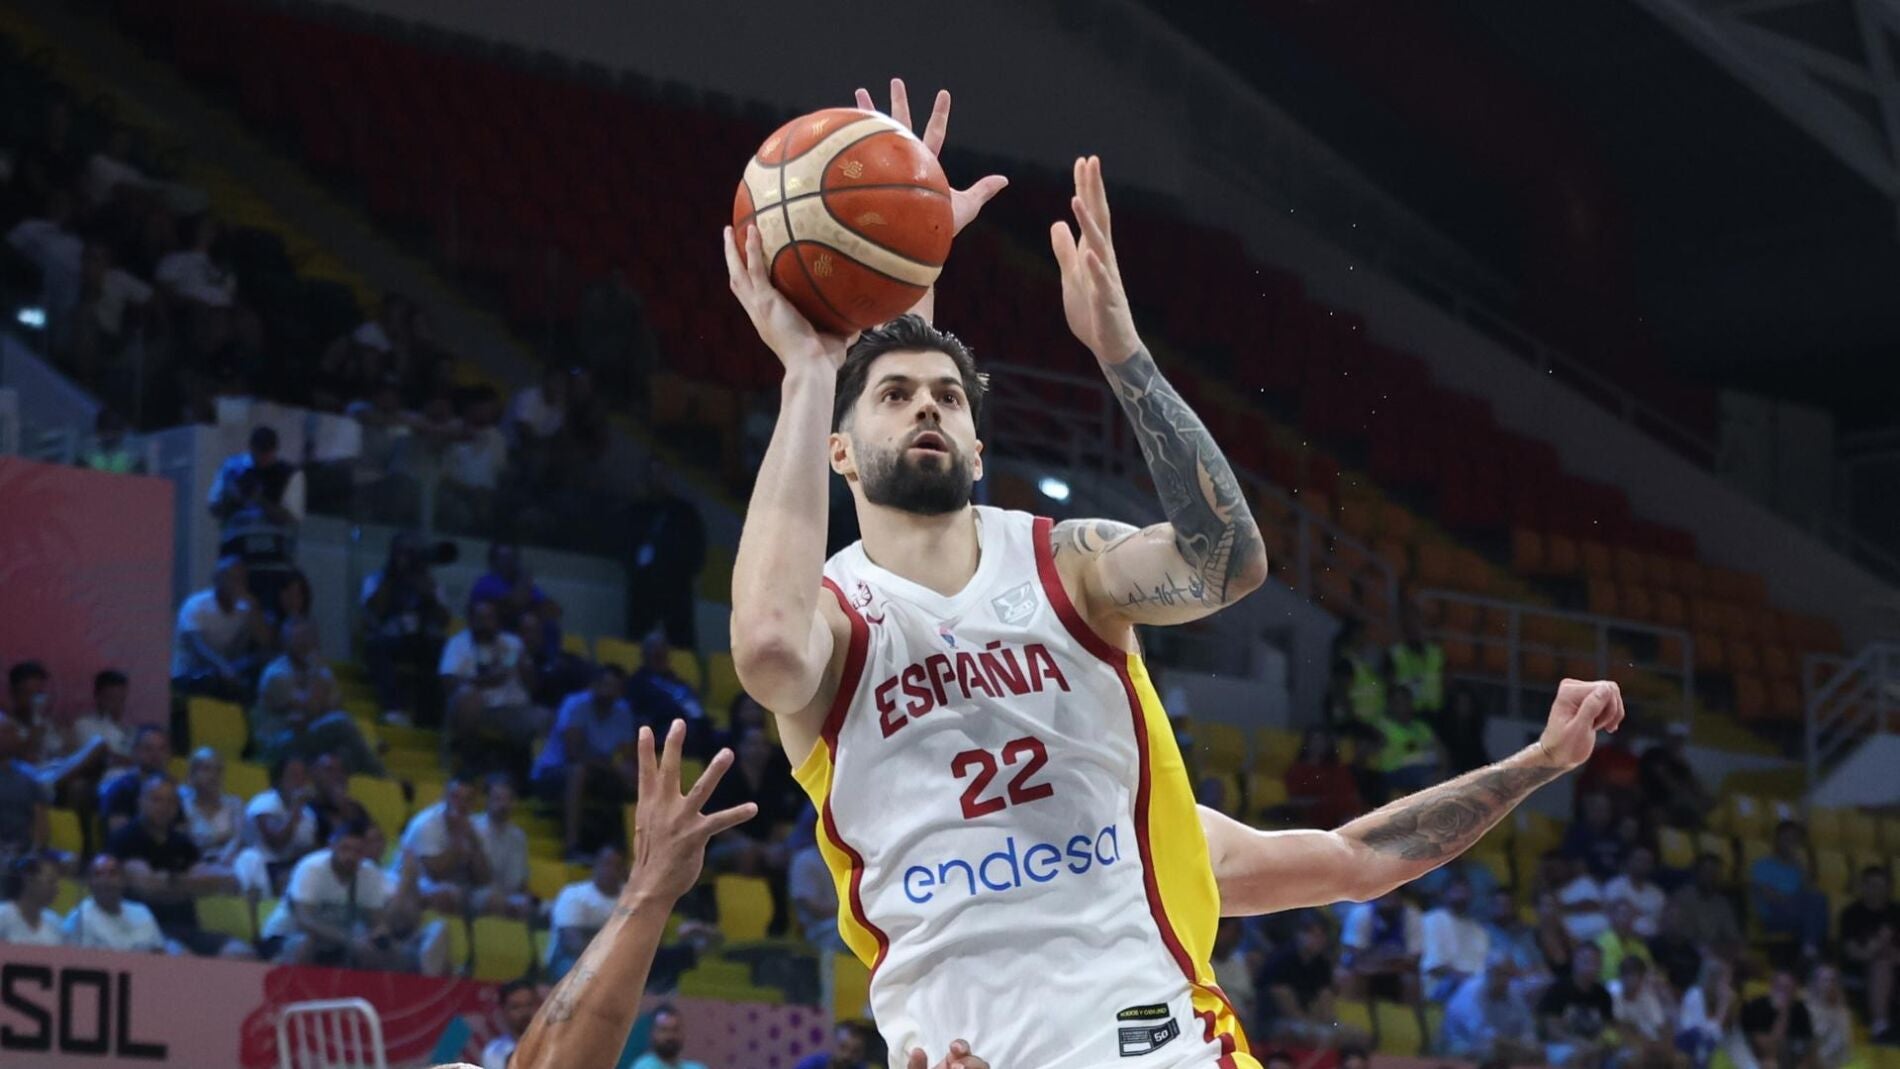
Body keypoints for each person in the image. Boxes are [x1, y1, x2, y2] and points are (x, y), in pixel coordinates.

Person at [725, 81, 1624, 1069]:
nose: (927, 407)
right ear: (839, 453)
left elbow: (1231, 573)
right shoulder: (835, 623)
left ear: (981, 447)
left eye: (948, 396)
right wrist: (813, 370)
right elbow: (767, 649)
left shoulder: (1070, 579)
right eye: (895, 396)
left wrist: (1121, 350)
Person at [106, 775, 246, 956]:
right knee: (181, 956)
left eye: (171, 802)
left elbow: (228, 878)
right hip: (143, 930)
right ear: (141, 802)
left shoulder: (183, 843)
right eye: (156, 799)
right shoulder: (125, 839)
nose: (164, 807)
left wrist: (170, 883)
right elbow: (149, 887)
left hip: (187, 927)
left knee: (241, 953)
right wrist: (192, 885)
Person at [262, 819, 412, 970]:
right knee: (308, 942)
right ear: (332, 846)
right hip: (286, 936)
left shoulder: (369, 874)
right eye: (345, 848)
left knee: (390, 952)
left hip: (337, 942)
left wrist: (380, 935)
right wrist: (350, 940)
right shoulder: (312, 868)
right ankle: (291, 983)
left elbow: (376, 920)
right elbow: (305, 920)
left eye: (357, 851)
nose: (350, 856)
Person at [531, 665, 637, 856]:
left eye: (614, 687)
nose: (607, 691)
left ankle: (627, 849)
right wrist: (614, 768)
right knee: (578, 771)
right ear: (594, 685)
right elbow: (574, 754)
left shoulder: (623, 713)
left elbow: (628, 756)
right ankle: (572, 847)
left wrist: (629, 772)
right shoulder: (575, 704)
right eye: (604, 685)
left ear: (620, 692)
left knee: (637, 777)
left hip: (598, 773)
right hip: (553, 772)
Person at [254, 621, 383, 774]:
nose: (304, 644)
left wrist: (320, 702)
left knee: (346, 753)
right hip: (276, 745)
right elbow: (312, 710)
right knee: (340, 723)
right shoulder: (276, 675)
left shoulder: (321, 671)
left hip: (308, 741)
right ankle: (385, 779)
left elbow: (336, 705)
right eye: (297, 639)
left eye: (307, 638)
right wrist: (315, 675)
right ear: (285, 643)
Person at [208, 426, 305, 613]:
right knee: (234, 614)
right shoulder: (231, 468)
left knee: (269, 614)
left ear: (275, 450)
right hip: (236, 564)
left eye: (267, 453)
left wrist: (258, 498)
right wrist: (233, 496)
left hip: (274, 565)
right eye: (259, 452)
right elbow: (214, 507)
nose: (262, 458)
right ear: (251, 448)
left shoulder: (289, 473)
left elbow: (291, 517)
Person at [439, 597, 541, 772]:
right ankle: (468, 762)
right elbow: (448, 681)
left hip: (510, 708)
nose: (485, 624)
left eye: (490, 618)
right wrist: (484, 682)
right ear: (471, 621)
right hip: (476, 708)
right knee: (467, 696)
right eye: (480, 619)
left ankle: (533, 775)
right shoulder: (458, 643)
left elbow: (516, 674)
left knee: (548, 718)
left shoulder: (512, 644)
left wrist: (526, 668)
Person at [361, 532, 451, 724]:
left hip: (422, 640)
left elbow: (444, 621)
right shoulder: (376, 580)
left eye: (412, 553)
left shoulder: (429, 583)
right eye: (404, 552)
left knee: (441, 650)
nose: (409, 558)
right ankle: (394, 707)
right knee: (375, 646)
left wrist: (429, 594)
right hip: (390, 638)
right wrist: (393, 576)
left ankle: (431, 718)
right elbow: (374, 613)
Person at [625, 459, 707, 651]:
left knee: (681, 650)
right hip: (643, 593)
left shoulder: (685, 514)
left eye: (662, 473)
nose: (657, 479)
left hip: (677, 594)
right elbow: (626, 547)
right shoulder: (637, 512)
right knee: (640, 647)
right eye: (652, 474)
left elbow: (697, 552)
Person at [172, 556, 272, 699]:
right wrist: (225, 668)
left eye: (241, 579)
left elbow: (264, 641)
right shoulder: (197, 605)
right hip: (189, 676)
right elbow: (198, 647)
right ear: (218, 580)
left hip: (222, 675)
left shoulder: (244, 608)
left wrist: (254, 608)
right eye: (232, 578)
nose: (237, 584)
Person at [399, 776, 497, 914]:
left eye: (467, 799)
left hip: (459, 887)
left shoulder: (476, 826)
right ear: (445, 797)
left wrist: (474, 843)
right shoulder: (426, 824)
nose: (461, 804)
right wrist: (457, 840)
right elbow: (435, 874)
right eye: (456, 797)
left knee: (493, 899)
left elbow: (484, 879)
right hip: (415, 883)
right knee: (446, 895)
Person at [1260, 914, 1349, 1044]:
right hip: (1275, 1020)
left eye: (1322, 935)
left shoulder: (1321, 963)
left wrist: (1330, 1023)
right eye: (1314, 935)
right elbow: (1283, 998)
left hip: (1310, 1020)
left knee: (1351, 1036)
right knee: (1318, 1036)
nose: (1319, 940)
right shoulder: (1282, 959)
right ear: (1300, 935)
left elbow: (1325, 997)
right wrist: (1310, 1025)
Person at [242, 755, 322, 893]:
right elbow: (277, 844)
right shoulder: (264, 803)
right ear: (279, 780)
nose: (300, 781)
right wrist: (296, 809)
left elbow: (309, 847)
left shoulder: (309, 813)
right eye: (294, 775)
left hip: (292, 866)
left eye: (303, 776)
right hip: (262, 867)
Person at [1838, 864, 1900, 1040]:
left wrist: (1892, 954)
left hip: (1895, 964)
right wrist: (1878, 944)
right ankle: (1880, 1026)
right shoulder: (1850, 914)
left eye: (1882, 886)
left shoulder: (1897, 912)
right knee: (1881, 964)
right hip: (1860, 969)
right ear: (1863, 887)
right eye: (1872, 885)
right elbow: (1853, 953)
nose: (1877, 890)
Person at [546, 845, 626, 981]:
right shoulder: (573, 894)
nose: (611, 870)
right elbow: (572, 943)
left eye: (617, 866)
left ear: (624, 870)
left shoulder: (632, 898)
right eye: (607, 864)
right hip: (571, 958)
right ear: (596, 866)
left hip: (618, 959)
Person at [1749, 821, 1829, 954]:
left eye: (1794, 840)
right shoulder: (1762, 865)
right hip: (1772, 917)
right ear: (1777, 840)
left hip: (1797, 914)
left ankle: (1809, 951)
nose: (1790, 844)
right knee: (1814, 907)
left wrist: (1799, 866)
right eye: (1786, 839)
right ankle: (1812, 952)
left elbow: (1811, 891)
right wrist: (1796, 900)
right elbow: (1771, 897)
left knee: (1818, 902)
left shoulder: (1797, 868)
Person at [62, 852, 168, 953]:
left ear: (123, 880)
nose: (106, 880)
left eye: (112, 873)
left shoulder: (142, 912)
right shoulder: (79, 918)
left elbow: (159, 953)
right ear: (89, 882)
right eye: (98, 874)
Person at [1439, 963, 1541, 1063]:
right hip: (1459, 1043)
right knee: (1491, 1053)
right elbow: (1482, 1035)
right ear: (1489, 974)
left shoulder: (1512, 992)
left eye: (1507, 975)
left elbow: (1527, 1027)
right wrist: (1518, 1047)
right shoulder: (1472, 992)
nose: (1504, 980)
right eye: (1499, 974)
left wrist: (1529, 1045)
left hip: (1504, 1046)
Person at [1537, 942, 1615, 1068]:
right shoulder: (1558, 990)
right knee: (1583, 1055)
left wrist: (1603, 1043)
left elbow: (1606, 1028)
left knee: (1626, 1056)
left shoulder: (1603, 994)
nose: (1590, 966)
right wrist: (1579, 1043)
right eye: (1586, 961)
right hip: (1560, 1044)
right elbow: (1552, 1031)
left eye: (1595, 962)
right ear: (1575, 961)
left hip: (1593, 1044)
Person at [1340, 891, 1424, 1004]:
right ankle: (1354, 1011)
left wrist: (1388, 966)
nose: (1389, 899)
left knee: (1411, 979)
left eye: (1394, 894)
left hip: (1397, 970)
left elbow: (1415, 957)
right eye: (1386, 895)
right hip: (1365, 968)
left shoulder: (1412, 914)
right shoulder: (1361, 912)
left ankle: (1408, 1014)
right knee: (1346, 975)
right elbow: (1355, 954)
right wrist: (1378, 965)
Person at [471, 775, 534, 920]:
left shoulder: (519, 836)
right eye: (498, 799)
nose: (503, 805)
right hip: (477, 892)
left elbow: (522, 881)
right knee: (493, 899)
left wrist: (529, 898)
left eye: (508, 800)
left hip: (510, 895)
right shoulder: (473, 827)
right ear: (487, 800)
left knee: (542, 907)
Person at [1422, 875, 1490, 1003]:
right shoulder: (1431, 920)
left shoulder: (1479, 930)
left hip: (1475, 986)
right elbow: (1434, 966)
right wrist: (1469, 982)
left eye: (1465, 891)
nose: (1461, 896)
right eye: (1456, 891)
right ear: (1444, 894)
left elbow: (1482, 968)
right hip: (1440, 985)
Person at [1282, 727, 1364, 829]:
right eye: (1314, 740)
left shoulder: (1337, 768)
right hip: (1313, 811)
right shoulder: (1297, 769)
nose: (1318, 744)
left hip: (1340, 810)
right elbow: (1294, 800)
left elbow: (1350, 793)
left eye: (1322, 740)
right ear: (1307, 743)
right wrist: (1321, 800)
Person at [1369, 687, 1444, 796]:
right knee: (1427, 778)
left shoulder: (1421, 727)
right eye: (1398, 702)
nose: (1403, 705)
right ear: (1390, 705)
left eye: (1406, 700)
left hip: (1428, 768)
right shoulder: (1381, 726)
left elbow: (1441, 750)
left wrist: (1443, 770)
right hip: (1397, 773)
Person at [98, 725, 173, 834]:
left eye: (162, 749)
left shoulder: (172, 789)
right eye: (148, 749)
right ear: (135, 752)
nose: (156, 755)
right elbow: (120, 837)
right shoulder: (119, 791)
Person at [178, 747, 246, 864]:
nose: (213, 776)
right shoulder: (182, 805)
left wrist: (223, 857)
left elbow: (238, 839)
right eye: (206, 769)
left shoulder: (234, 804)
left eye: (218, 770)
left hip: (228, 863)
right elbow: (184, 843)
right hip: (192, 864)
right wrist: (220, 839)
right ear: (192, 774)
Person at [787, 805, 842, 952]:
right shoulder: (805, 860)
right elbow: (810, 906)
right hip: (818, 930)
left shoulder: (843, 861)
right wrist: (848, 914)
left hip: (841, 922)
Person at [1639, 722, 1711, 829]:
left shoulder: (1681, 764)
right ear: (1668, 738)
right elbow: (1666, 783)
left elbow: (1692, 784)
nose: (1678, 743)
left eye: (1681, 740)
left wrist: (1704, 797)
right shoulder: (1654, 755)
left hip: (1673, 805)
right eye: (1676, 739)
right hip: (1653, 802)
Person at [0, 713, 50, 866]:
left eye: (13, 731)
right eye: (6, 732)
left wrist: (34, 853)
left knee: (69, 861)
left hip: (24, 853)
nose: (13, 736)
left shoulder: (29, 776)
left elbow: (41, 820)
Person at [1608, 956, 1676, 1067]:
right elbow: (1620, 1026)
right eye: (1629, 975)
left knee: (1677, 1058)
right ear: (1622, 976)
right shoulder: (1614, 994)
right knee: (1636, 1058)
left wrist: (1663, 1044)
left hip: (1651, 1042)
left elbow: (1661, 1025)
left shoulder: (1648, 997)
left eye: (1637, 976)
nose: (1633, 980)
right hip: (1625, 1045)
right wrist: (1643, 1043)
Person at [1740, 969, 1814, 1069]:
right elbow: (1769, 1050)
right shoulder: (1756, 1007)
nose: (1784, 993)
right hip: (1756, 1060)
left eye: (1789, 989)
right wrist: (1783, 1013)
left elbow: (1808, 1047)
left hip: (1791, 1060)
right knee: (1771, 1064)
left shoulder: (1800, 1009)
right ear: (1772, 986)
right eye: (1781, 988)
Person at [1671, 853, 1744, 951]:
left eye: (1715, 872)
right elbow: (1678, 935)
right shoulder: (1681, 898)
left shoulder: (1722, 903)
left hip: (1719, 951)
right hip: (1688, 951)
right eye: (1707, 871)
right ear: (1696, 873)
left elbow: (1733, 935)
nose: (1711, 876)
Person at [1679, 956, 1741, 1069]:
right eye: (1725, 981)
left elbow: (1733, 1039)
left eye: (1729, 982)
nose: (1728, 987)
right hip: (1692, 1051)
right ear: (1712, 979)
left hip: (1719, 1056)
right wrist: (1723, 1006)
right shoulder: (1695, 994)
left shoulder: (1723, 1001)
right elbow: (1704, 1039)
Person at [0, 853, 64, 946]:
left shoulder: (56, 923)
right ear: (29, 880)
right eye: (51, 881)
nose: (57, 888)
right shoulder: (2, 916)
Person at [1562, 791, 1626, 881]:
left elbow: (1623, 865)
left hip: (1614, 884)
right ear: (1589, 811)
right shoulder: (1576, 834)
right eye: (1599, 809)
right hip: (1586, 883)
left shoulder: (1615, 835)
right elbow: (1576, 865)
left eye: (1606, 810)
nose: (1603, 814)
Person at [1605, 845, 1667, 938]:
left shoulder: (1658, 894)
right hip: (1620, 937)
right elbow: (1611, 913)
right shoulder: (1615, 885)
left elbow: (1661, 923)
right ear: (1629, 862)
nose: (1642, 864)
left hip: (1650, 940)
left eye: (1647, 861)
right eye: (1639, 859)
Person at [483, 979, 543, 1069]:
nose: (524, 1012)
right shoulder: (495, 1052)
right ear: (504, 1011)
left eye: (529, 1005)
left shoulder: (554, 1043)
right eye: (516, 1007)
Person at [1593, 898, 1655, 981]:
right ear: (1612, 917)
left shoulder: (1638, 944)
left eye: (1630, 915)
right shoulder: (1600, 943)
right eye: (1623, 914)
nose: (1626, 919)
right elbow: (1608, 974)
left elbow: (1649, 969)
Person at [1805, 964, 1853, 1069]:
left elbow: (1844, 1050)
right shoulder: (1806, 1011)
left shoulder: (1844, 1014)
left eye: (1833, 980)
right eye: (1824, 980)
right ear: (1816, 983)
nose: (1829, 984)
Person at [630, 1004, 707, 1069]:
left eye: (675, 1029)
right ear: (653, 1033)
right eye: (663, 1030)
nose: (670, 1036)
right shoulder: (643, 1067)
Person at [793, 1020, 874, 1069]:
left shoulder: (861, 1067)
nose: (847, 1055)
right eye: (843, 1047)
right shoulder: (811, 1065)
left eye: (855, 1052)